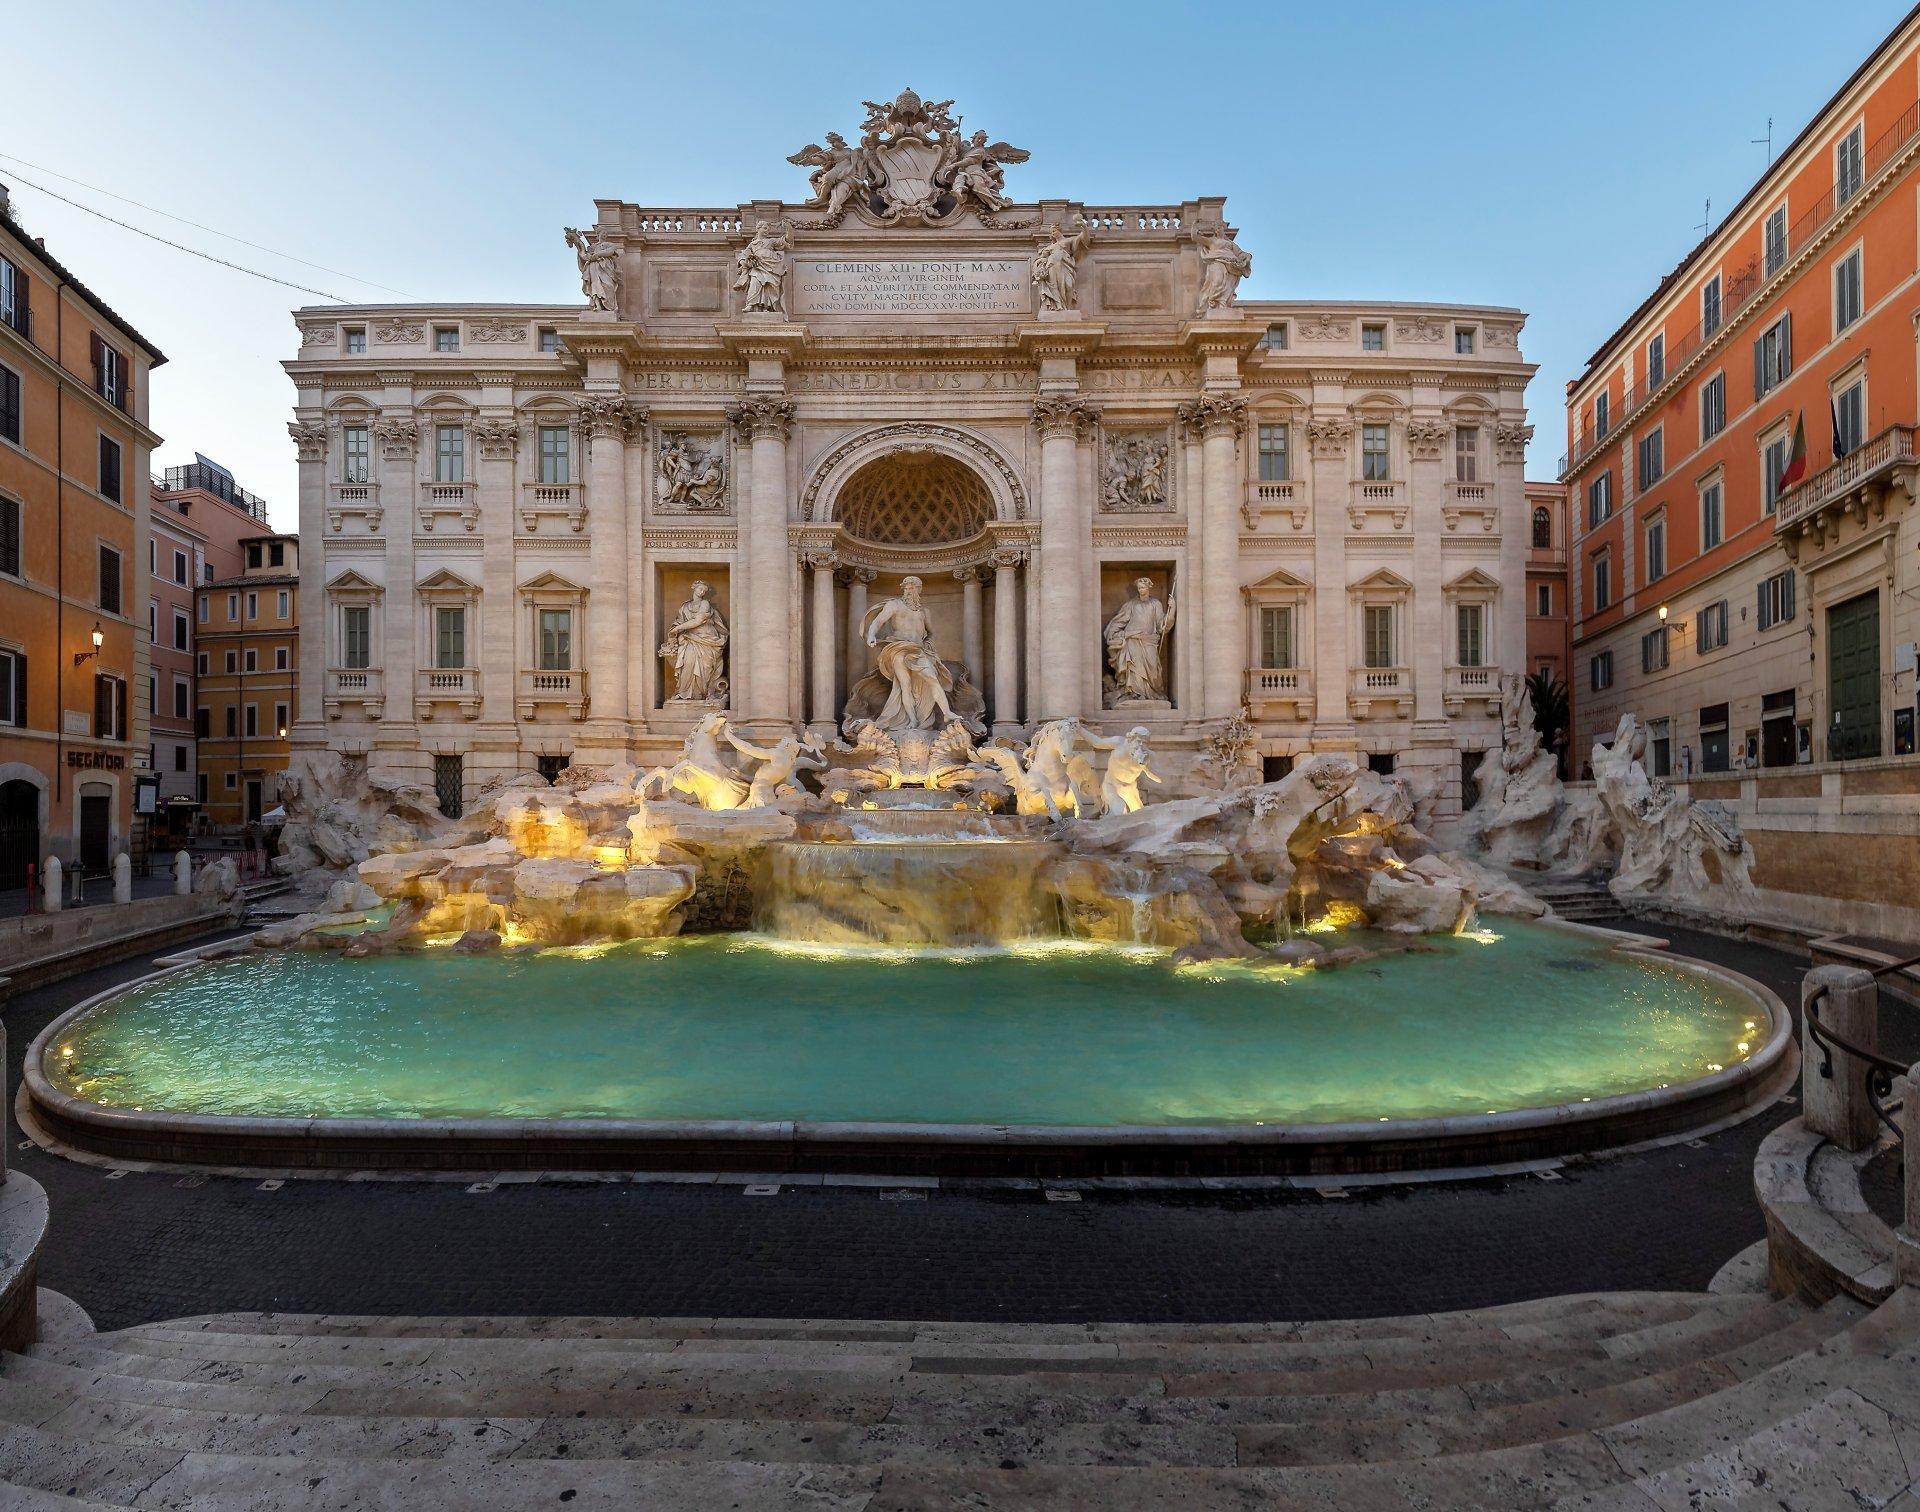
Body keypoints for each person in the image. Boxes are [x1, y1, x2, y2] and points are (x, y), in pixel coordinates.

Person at [863, 576, 958, 730]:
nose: (908, 591)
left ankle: (947, 712)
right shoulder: (894, 605)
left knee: (932, 678)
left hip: (918, 650)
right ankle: (912, 720)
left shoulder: (924, 612)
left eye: (912, 588)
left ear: (919, 589)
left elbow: (931, 632)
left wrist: (928, 642)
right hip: (898, 648)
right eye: (906, 588)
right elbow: (878, 621)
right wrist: (872, 635)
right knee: (905, 685)